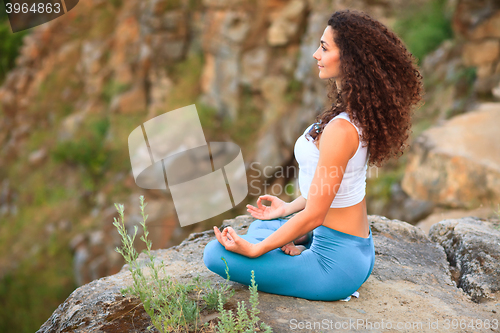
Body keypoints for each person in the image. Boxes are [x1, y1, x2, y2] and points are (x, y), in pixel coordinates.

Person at [203, 9, 423, 301]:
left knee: (216, 254)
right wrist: (288, 209)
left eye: (324, 47)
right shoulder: (353, 113)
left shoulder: (342, 130)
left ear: (350, 59)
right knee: (264, 225)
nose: (315, 54)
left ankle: (299, 241)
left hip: (334, 266)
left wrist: (257, 250)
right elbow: (332, 188)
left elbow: (317, 213)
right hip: (351, 247)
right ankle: (299, 238)